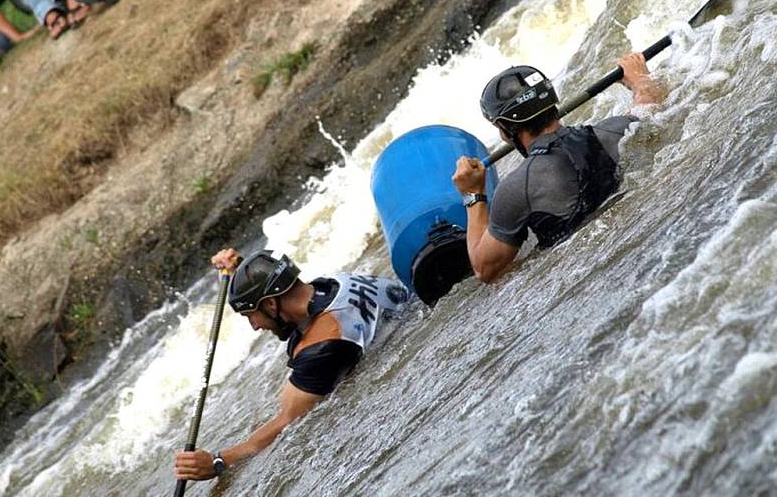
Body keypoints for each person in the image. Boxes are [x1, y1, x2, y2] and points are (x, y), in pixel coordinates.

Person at [174, 248, 410, 481]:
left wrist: (219, 461)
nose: (254, 326)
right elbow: (280, 293)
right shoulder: (331, 283)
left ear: (270, 305)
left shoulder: (323, 347)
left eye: (249, 315)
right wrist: (246, 272)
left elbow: (287, 421)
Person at [451, 52, 667, 283]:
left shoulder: (516, 189)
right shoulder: (613, 132)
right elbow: (651, 102)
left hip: (587, 275)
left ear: (505, 126)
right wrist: (638, 78)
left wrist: (473, 194)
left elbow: (485, 269)